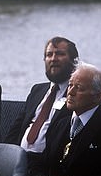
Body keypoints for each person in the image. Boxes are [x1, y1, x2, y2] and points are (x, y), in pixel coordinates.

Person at [29, 62, 101, 176]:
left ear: (98, 96)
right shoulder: (60, 124)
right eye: (70, 85)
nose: (70, 92)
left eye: (79, 88)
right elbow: (41, 162)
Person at [5, 37, 78, 165]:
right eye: (49, 54)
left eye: (60, 54)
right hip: (19, 160)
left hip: (47, 164)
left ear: (74, 61)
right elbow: (16, 129)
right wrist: (5, 158)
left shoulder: (78, 94)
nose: (53, 59)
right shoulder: (37, 90)